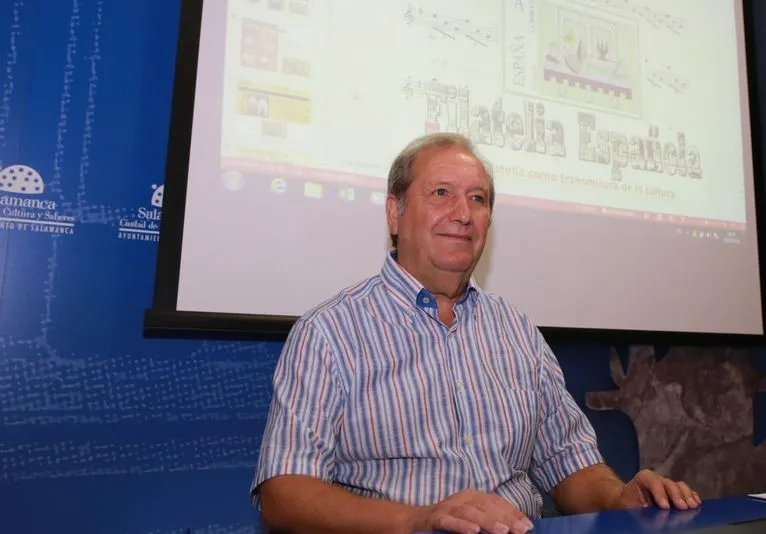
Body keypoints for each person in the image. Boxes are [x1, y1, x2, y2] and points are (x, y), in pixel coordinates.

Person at [250, 133, 702, 534]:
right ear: (395, 213)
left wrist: (621, 500)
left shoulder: (517, 330)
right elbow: (284, 495)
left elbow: (571, 464)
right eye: (441, 193)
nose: (463, 214)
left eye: (478, 199)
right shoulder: (329, 333)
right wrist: (417, 520)